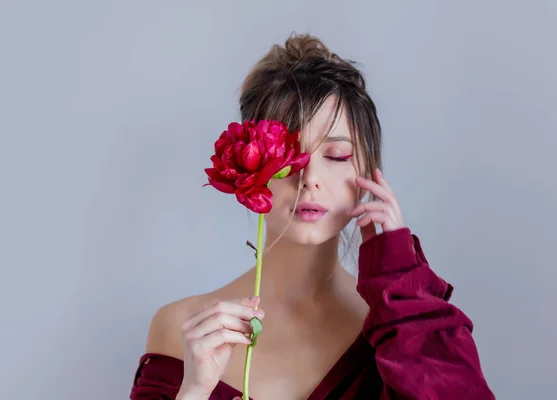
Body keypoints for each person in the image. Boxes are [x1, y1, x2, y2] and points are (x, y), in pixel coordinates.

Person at [129, 33, 495, 400]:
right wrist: (193, 391)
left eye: (336, 156)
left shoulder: (398, 326)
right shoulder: (182, 328)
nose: (310, 180)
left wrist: (400, 279)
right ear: (243, 164)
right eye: (288, 157)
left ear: (367, 171)